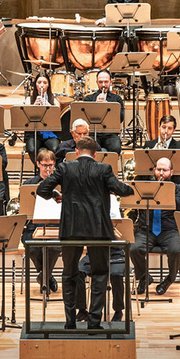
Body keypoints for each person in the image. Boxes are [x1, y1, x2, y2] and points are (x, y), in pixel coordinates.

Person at [36, 136, 135, 330]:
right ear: (96, 154)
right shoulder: (104, 169)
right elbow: (121, 190)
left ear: (77, 152)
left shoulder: (65, 168)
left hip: (71, 228)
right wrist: (131, 188)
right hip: (98, 229)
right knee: (100, 274)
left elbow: (42, 189)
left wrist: (56, 195)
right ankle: (94, 322)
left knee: (69, 274)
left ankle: (70, 322)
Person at [128, 157, 180, 296]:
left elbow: (179, 203)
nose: (161, 173)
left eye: (164, 170)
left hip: (169, 230)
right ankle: (144, 278)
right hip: (145, 229)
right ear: (154, 170)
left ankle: (168, 280)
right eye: (158, 169)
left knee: (176, 250)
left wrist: (162, 193)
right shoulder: (144, 187)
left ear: (171, 172)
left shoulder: (177, 188)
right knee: (133, 248)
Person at [23, 148, 61, 293]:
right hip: (33, 226)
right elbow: (24, 208)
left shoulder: (61, 184)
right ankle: (47, 276)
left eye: (50, 165)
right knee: (32, 247)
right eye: (45, 165)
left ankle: (43, 277)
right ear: (38, 164)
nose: (48, 169)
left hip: (55, 226)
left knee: (55, 247)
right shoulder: (28, 184)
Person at [75, 70, 125, 154]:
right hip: (93, 133)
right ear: (97, 83)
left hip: (110, 134)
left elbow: (121, 118)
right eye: (101, 82)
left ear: (110, 82)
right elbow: (84, 119)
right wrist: (96, 105)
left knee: (116, 147)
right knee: (90, 147)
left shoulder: (117, 99)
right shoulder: (89, 98)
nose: (103, 85)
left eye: (106, 82)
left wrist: (107, 105)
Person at [22, 73, 63, 161]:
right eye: (39, 82)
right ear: (35, 84)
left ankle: (51, 167)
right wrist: (34, 106)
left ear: (48, 85)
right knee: (32, 149)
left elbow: (56, 116)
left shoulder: (54, 101)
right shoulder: (29, 100)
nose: (42, 85)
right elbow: (26, 117)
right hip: (34, 133)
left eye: (45, 83)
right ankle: (40, 167)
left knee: (55, 149)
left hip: (51, 134)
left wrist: (47, 104)